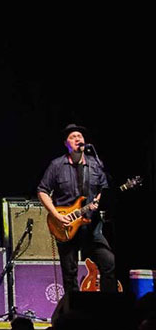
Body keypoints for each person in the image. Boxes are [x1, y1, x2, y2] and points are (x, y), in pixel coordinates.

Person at [37, 124, 115, 295]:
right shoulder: (57, 165)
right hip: (67, 225)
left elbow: (104, 189)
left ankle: (109, 309)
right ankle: (73, 313)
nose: (78, 139)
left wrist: (98, 201)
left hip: (91, 225)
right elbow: (42, 191)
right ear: (66, 143)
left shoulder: (95, 165)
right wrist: (56, 215)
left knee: (108, 263)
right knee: (70, 273)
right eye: (73, 137)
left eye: (80, 136)